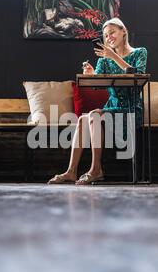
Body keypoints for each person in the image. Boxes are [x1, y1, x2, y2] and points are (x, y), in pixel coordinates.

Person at [48, 17, 147, 185]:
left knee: (94, 115)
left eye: (112, 33)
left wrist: (114, 57)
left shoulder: (139, 52)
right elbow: (95, 84)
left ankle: (96, 170)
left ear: (124, 32)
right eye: (106, 36)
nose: (109, 38)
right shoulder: (104, 59)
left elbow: (137, 76)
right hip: (112, 107)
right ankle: (71, 171)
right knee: (83, 119)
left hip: (131, 109)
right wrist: (91, 74)